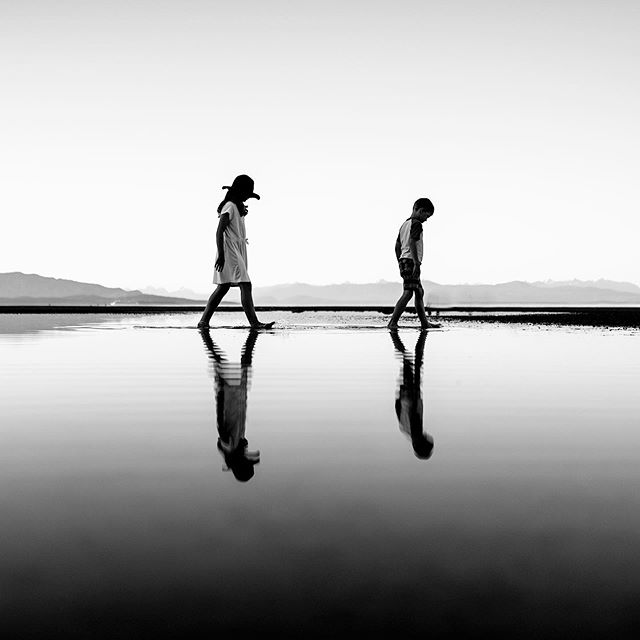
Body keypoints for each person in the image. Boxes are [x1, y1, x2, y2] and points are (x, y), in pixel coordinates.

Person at [198, 174, 274, 329]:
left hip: (237, 250)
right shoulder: (230, 206)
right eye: (246, 194)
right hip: (229, 250)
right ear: (240, 191)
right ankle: (255, 323)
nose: (247, 198)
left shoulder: (237, 207)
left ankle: (203, 321)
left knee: (223, 286)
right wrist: (221, 255)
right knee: (245, 284)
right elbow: (219, 232)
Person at [200, 328, 261, 482]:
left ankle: (204, 333)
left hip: (229, 397)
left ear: (240, 462)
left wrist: (220, 392)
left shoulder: (228, 444)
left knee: (221, 360)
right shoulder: (237, 445)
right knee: (245, 361)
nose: (248, 454)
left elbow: (222, 419)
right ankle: (252, 334)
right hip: (239, 397)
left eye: (246, 459)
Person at [387, 197, 440, 329]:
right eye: (426, 215)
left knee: (419, 291)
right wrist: (416, 263)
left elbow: (397, 246)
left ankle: (424, 323)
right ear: (419, 210)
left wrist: (400, 261)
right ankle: (393, 322)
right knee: (409, 292)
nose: (426, 219)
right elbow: (412, 242)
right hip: (411, 261)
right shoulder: (416, 224)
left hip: (404, 259)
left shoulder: (404, 224)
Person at [390, 330, 434, 460]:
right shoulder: (406, 430)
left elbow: (413, 411)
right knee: (411, 361)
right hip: (407, 394)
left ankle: (394, 335)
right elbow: (398, 408)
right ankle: (396, 337)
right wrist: (400, 395)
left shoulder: (414, 430)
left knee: (409, 360)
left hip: (410, 393)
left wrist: (410, 393)